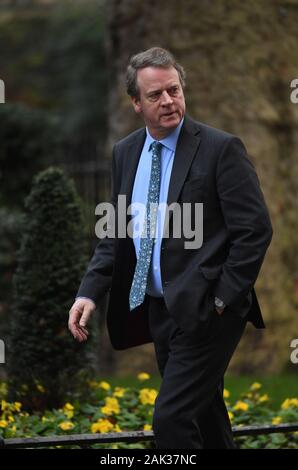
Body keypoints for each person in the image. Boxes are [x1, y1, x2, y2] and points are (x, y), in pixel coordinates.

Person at [68, 47, 273, 449]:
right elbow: (116, 232)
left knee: (172, 419)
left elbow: (254, 230)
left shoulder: (220, 148)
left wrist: (222, 298)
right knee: (206, 419)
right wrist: (90, 292)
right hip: (161, 309)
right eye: (155, 95)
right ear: (135, 103)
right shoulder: (125, 152)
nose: (168, 101)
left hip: (210, 310)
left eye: (174, 90)